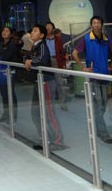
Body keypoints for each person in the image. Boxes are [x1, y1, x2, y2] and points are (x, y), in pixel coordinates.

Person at [72, 15, 112, 143]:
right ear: (91, 25)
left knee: (103, 105)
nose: (96, 25)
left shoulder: (107, 39)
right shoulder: (86, 39)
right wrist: (83, 67)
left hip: (105, 75)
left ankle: (96, 128)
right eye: (94, 23)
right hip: (93, 76)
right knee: (98, 105)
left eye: (98, 23)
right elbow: (74, 53)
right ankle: (104, 133)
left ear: (102, 25)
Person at [24, 24, 65, 150]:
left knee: (49, 112)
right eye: (32, 30)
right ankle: (45, 138)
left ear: (41, 35)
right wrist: (28, 60)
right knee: (35, 112)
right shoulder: (35, 46)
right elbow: (26, 57)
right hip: (38, 81)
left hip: (46, 82)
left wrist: (30, 61)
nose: (32, 32)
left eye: (35, 31)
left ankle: (58, 141)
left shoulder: (42, 45)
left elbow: (41, 60)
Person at [0, 27, 18, 123]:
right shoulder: (1, 44)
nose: (4, 32)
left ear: (10, 34)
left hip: (9, 72)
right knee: (4, 95)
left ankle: (13, 116)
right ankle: (6, 115)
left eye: (7, 31)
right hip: (0, 72)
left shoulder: (12, 45)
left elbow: (6, 56)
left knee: (10, 94)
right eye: (3, 31)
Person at [45, 21, 68, 111]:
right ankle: (49, 104)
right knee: (48, 84)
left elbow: (62, 50)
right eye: (46, 26)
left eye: (50, 26)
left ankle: (62, 103)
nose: (48, 27)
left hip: (55, 61)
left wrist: (63, 60)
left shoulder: (58, 39)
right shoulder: (43, 39)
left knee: (59, 82)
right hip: (46, 62)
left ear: (53, 28)